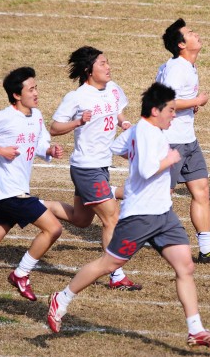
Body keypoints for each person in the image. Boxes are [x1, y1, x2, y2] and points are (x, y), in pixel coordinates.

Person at [47, 82, 210, 348]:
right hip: (140, 217)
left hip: (163, 215)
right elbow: (145, 170)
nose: (174, 115)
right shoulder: (147, 133)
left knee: (185, 266)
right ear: (155, 111)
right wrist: (170, 158)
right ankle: (61, 298)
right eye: (170, 110)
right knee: (108, 265)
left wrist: (137, 152)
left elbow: (119, 147)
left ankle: (196, 329)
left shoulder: (142, 131)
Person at [0, 67, 64, 301]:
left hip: (14, 191)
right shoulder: (4, 117)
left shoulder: (36, 116)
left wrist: (48, 149)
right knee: (54, 228)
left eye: (36, 87)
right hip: (11, 193)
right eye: (31, 89)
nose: (36, 92)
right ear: (17, 95)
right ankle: (21, 273)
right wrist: (0, 149)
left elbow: (38, 143)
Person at [48, 46, 142, 290]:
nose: (108, 67)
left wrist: (125, 123)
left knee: (80, 220)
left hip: (102, 165)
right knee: (112, 218)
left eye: (107, 62)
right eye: (102, 63)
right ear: (89, 70)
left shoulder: (112, 88)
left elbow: (118, 111)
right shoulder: (77, 97)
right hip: (86, 167)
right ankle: (116, 275)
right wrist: (79, 121)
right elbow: (54, 127)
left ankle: (37, 205)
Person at [156, 18, 210, 265]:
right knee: (160, 196)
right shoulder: (176, 68)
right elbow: (165, 102)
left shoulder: (187, 66)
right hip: (171, 142)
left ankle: (206, 248)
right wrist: (196, 102)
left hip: (188, 140)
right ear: (181, 44)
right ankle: (110, 200)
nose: (196, 34)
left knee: (201, 191)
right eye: (190, 33)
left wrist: (190, 106)